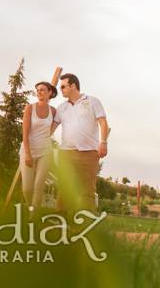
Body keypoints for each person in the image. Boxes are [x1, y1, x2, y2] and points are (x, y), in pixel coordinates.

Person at [53, 73, 108, 214]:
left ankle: (85, 222)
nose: (61, 89)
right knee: (65, 187)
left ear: (73, 86)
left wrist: (103, 142)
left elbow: (103, 122)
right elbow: (51, 129)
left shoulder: (92, 101)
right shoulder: (61, 107)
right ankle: (60, 222)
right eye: (60, 87)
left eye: (63, 86)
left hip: (89, 152)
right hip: (66, 152)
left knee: (88, 191)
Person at [20, 80, 57, 220]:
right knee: (27, 188)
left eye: (42, 90)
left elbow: (53, 127)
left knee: (38, 186)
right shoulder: (30, 108)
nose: (39, 92)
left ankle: (32, 218)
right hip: (28, 151)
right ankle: (32, 209)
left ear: (50, 93)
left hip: (46, 152)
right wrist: (28, 154)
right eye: (37, 90)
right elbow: (25, 132)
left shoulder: (53, 111)